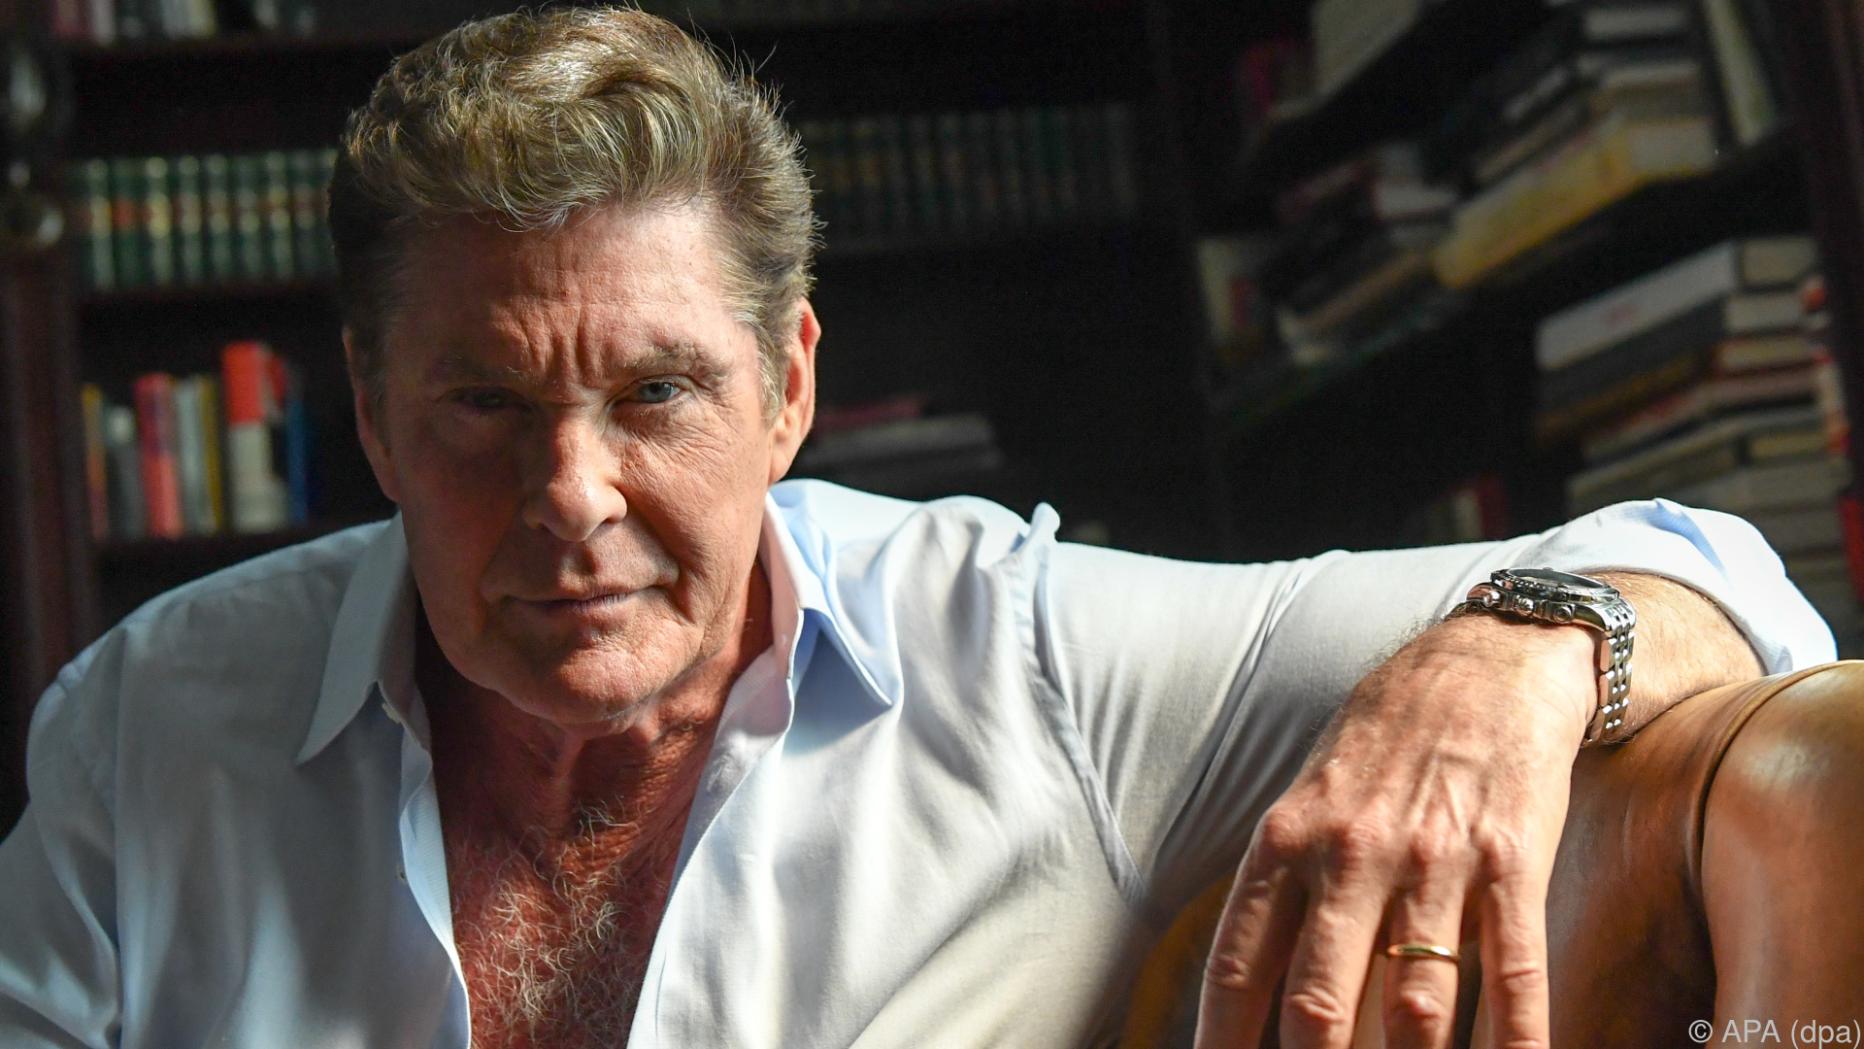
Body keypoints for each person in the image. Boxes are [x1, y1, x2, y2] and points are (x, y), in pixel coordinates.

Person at [0, 8, 1834, 1049]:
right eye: (484, 403)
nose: (573, 493)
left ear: (789, 389)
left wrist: (1503, 662)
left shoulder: (1023, 659)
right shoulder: (143, 725)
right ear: (373, 409)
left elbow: (1734, 581)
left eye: (657, 393)